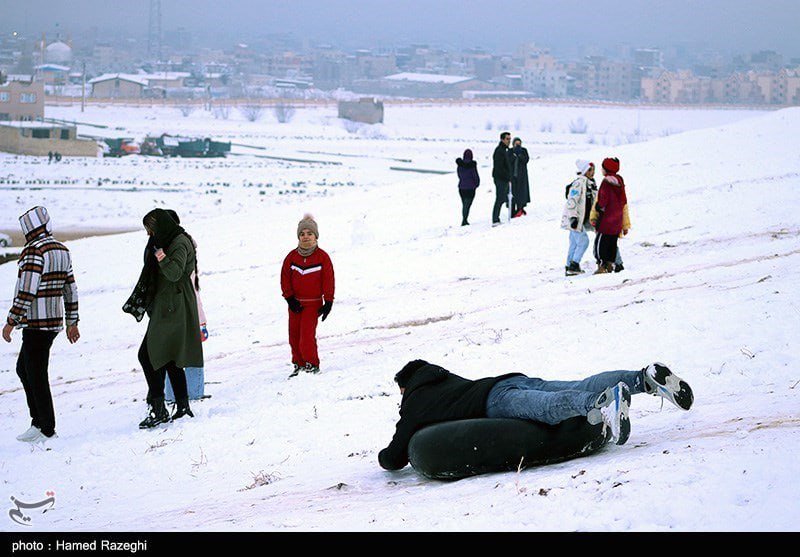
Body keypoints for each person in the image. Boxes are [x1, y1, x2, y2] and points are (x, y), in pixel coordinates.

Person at [378, 360, 693, 471]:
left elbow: (394, 457)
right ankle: (644, 378)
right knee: (575, 384)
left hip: (496, 399)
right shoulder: (444, 378)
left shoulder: (415, 400)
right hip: (510, 379)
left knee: (549, 409)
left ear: (406, 386)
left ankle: (603, 403)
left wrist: (382, 457)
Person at [3, 206, 80, 444]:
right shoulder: (61, 249)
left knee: (35, 373)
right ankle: (39, 422)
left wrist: (10, 321)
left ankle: (45, 428)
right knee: (25, 369)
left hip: (36, 323)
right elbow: (70, 288)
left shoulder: (33, 251)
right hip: (54, 322)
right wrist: (72, 321)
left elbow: (26, 291)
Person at [123, 208, 203, 429]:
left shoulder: (178, 243)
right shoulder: (169, 240)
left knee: (148, 355)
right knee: (168, 357)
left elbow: (175, 273)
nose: (150, 235)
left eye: (151, 230)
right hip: (168, 304)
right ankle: (182, 405)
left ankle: (159, 409)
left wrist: (160, 256)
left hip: (173, 305)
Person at [281, 214, 335, 378]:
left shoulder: (322, 257)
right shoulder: (291, 257)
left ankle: (312, 364)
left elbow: (328, 279)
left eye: (309, 233)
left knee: (306, 337)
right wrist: (289, 298)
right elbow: (285, 278)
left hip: (313, 304)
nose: (306, 237)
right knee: (294, 336)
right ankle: (299, 364)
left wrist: (329, 301)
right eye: (302, 234)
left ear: (316, 236)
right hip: (295, 304)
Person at [590, 157, 630, 274]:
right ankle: (610, 264)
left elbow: (603, 199)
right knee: (612, 243)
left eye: (602, 168)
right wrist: (625, 224)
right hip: (617, 220)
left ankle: (602, 266)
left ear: (606, 169)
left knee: (600, 244)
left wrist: (598, 207)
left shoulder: (606, 182)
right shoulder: (620, 181)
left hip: (606, 220)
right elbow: (624, 202)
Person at [561, 159, 597, 276]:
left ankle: (569, 266)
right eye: (590, 170)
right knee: (583, 241)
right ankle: (574, 264)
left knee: (574, 243)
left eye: (593, 169)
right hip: (575, 220)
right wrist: (573, 218)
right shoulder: (578, 183)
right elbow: (572, 201)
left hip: (580, 220)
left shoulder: (590, 184)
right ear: (584, 170)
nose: (592, 172)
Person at [491, 132, 512, 226]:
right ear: (502, 139)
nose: (509, 141)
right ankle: (495, 219)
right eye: (507, 139)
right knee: (500, 198)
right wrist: (507, 176)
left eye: (510, 139)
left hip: (504, 178)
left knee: (502, 198)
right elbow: (499, 167)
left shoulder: (505, 150)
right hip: (500, 178)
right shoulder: (499, 150)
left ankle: (496, 218)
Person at [456, 148, 480, 226]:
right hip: (470, 188)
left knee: (464, 204)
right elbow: (475, 176)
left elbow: (459, 175)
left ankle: (464, 219)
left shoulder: (460, 165)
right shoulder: (472, 166)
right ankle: (464, 220)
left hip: (462, 188)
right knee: (467, 205)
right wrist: (477, 184)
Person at [509, 137, 530, 218]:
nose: (518, 145)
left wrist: (520, 155)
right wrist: (514, 156)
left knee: (521, 193)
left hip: (522, 176)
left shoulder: (524, 151)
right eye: (516, 143)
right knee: (512, 194)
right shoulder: (510, 151)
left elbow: (526, 160)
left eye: (519, 143)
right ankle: (512, 210)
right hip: (512, 176)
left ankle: (520, 209)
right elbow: (508, 160)